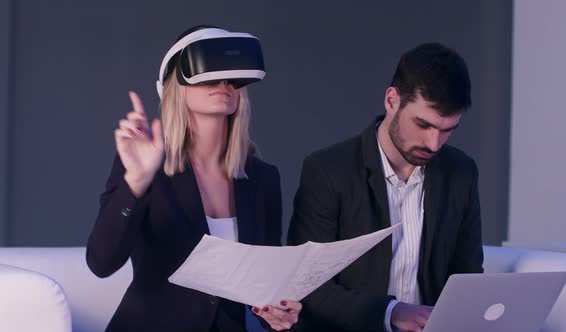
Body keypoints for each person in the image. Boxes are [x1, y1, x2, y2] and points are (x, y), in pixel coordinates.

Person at [87, 25, 301, 332]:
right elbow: (101, 262)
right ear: (176, 85)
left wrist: (277, 314)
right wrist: (136, 182)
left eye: (231, 75)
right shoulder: (145, 165)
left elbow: (263, 282)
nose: (223, 82)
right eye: (210, 72)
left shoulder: (263, 179)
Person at [288, 42, 483, 332]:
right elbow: (307, 286)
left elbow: (467, 276)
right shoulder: (328, 171)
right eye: (423, 124)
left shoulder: (461, 172)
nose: (434, 143)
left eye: (447, 130)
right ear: (392, 101)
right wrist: (391, 312)